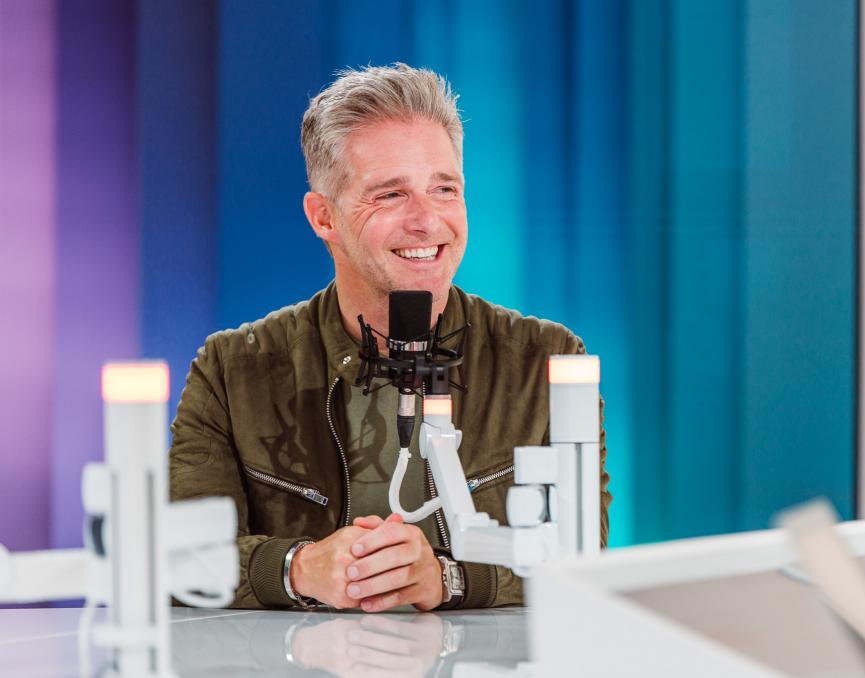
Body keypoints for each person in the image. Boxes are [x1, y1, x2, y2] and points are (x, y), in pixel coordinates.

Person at [169, 63, 611, 612]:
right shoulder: (232, 370)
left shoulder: (547, 359)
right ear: (324, 217)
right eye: (391, 194)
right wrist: (299, 568)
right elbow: (178, 561)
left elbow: (582, 555)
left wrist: (449, 579)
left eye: (444, 189)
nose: (427, 220)